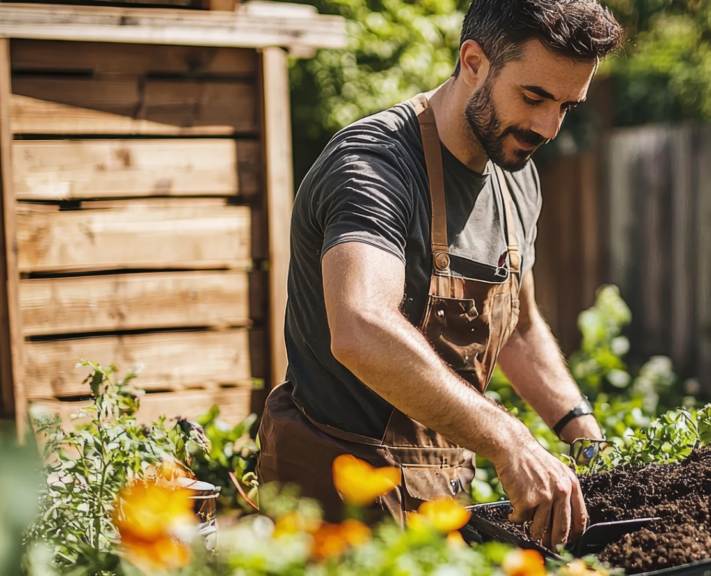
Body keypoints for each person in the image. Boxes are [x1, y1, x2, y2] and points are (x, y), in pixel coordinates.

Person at [257, 0, 623, 549]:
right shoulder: (374, 166)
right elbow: (361, 326)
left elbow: (519, 328)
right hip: (339, 503)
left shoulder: (516, 173)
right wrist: (507, 439)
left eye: (567, 106)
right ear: (473, 62)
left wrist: (583, 434)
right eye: (534, 97)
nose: (547, 127)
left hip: (444, 497)